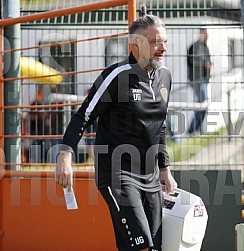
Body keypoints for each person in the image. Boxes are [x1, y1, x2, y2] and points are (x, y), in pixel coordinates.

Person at [55, 12, 177, 251]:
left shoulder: (165, 77)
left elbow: (160, 126)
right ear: (135, 45)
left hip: (150, 177)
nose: (162, 48)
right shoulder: (115, 77)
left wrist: (165, 169)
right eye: (155, 42)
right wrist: (65, 156)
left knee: (154, 247)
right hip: (118, 175)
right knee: (141, 245)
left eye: (165, 42)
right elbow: (83, 115)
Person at [187, 28, 212, 134]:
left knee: (202, 105)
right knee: (202, 104)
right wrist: (204, 64)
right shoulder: (195, 46)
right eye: (205, 33)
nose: (207, 36)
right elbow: (192, 60)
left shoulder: (205, 47)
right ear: (201, 34)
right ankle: (193, 129)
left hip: (204, 80)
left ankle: (195, 129)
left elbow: (208, 61)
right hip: (197, 80)